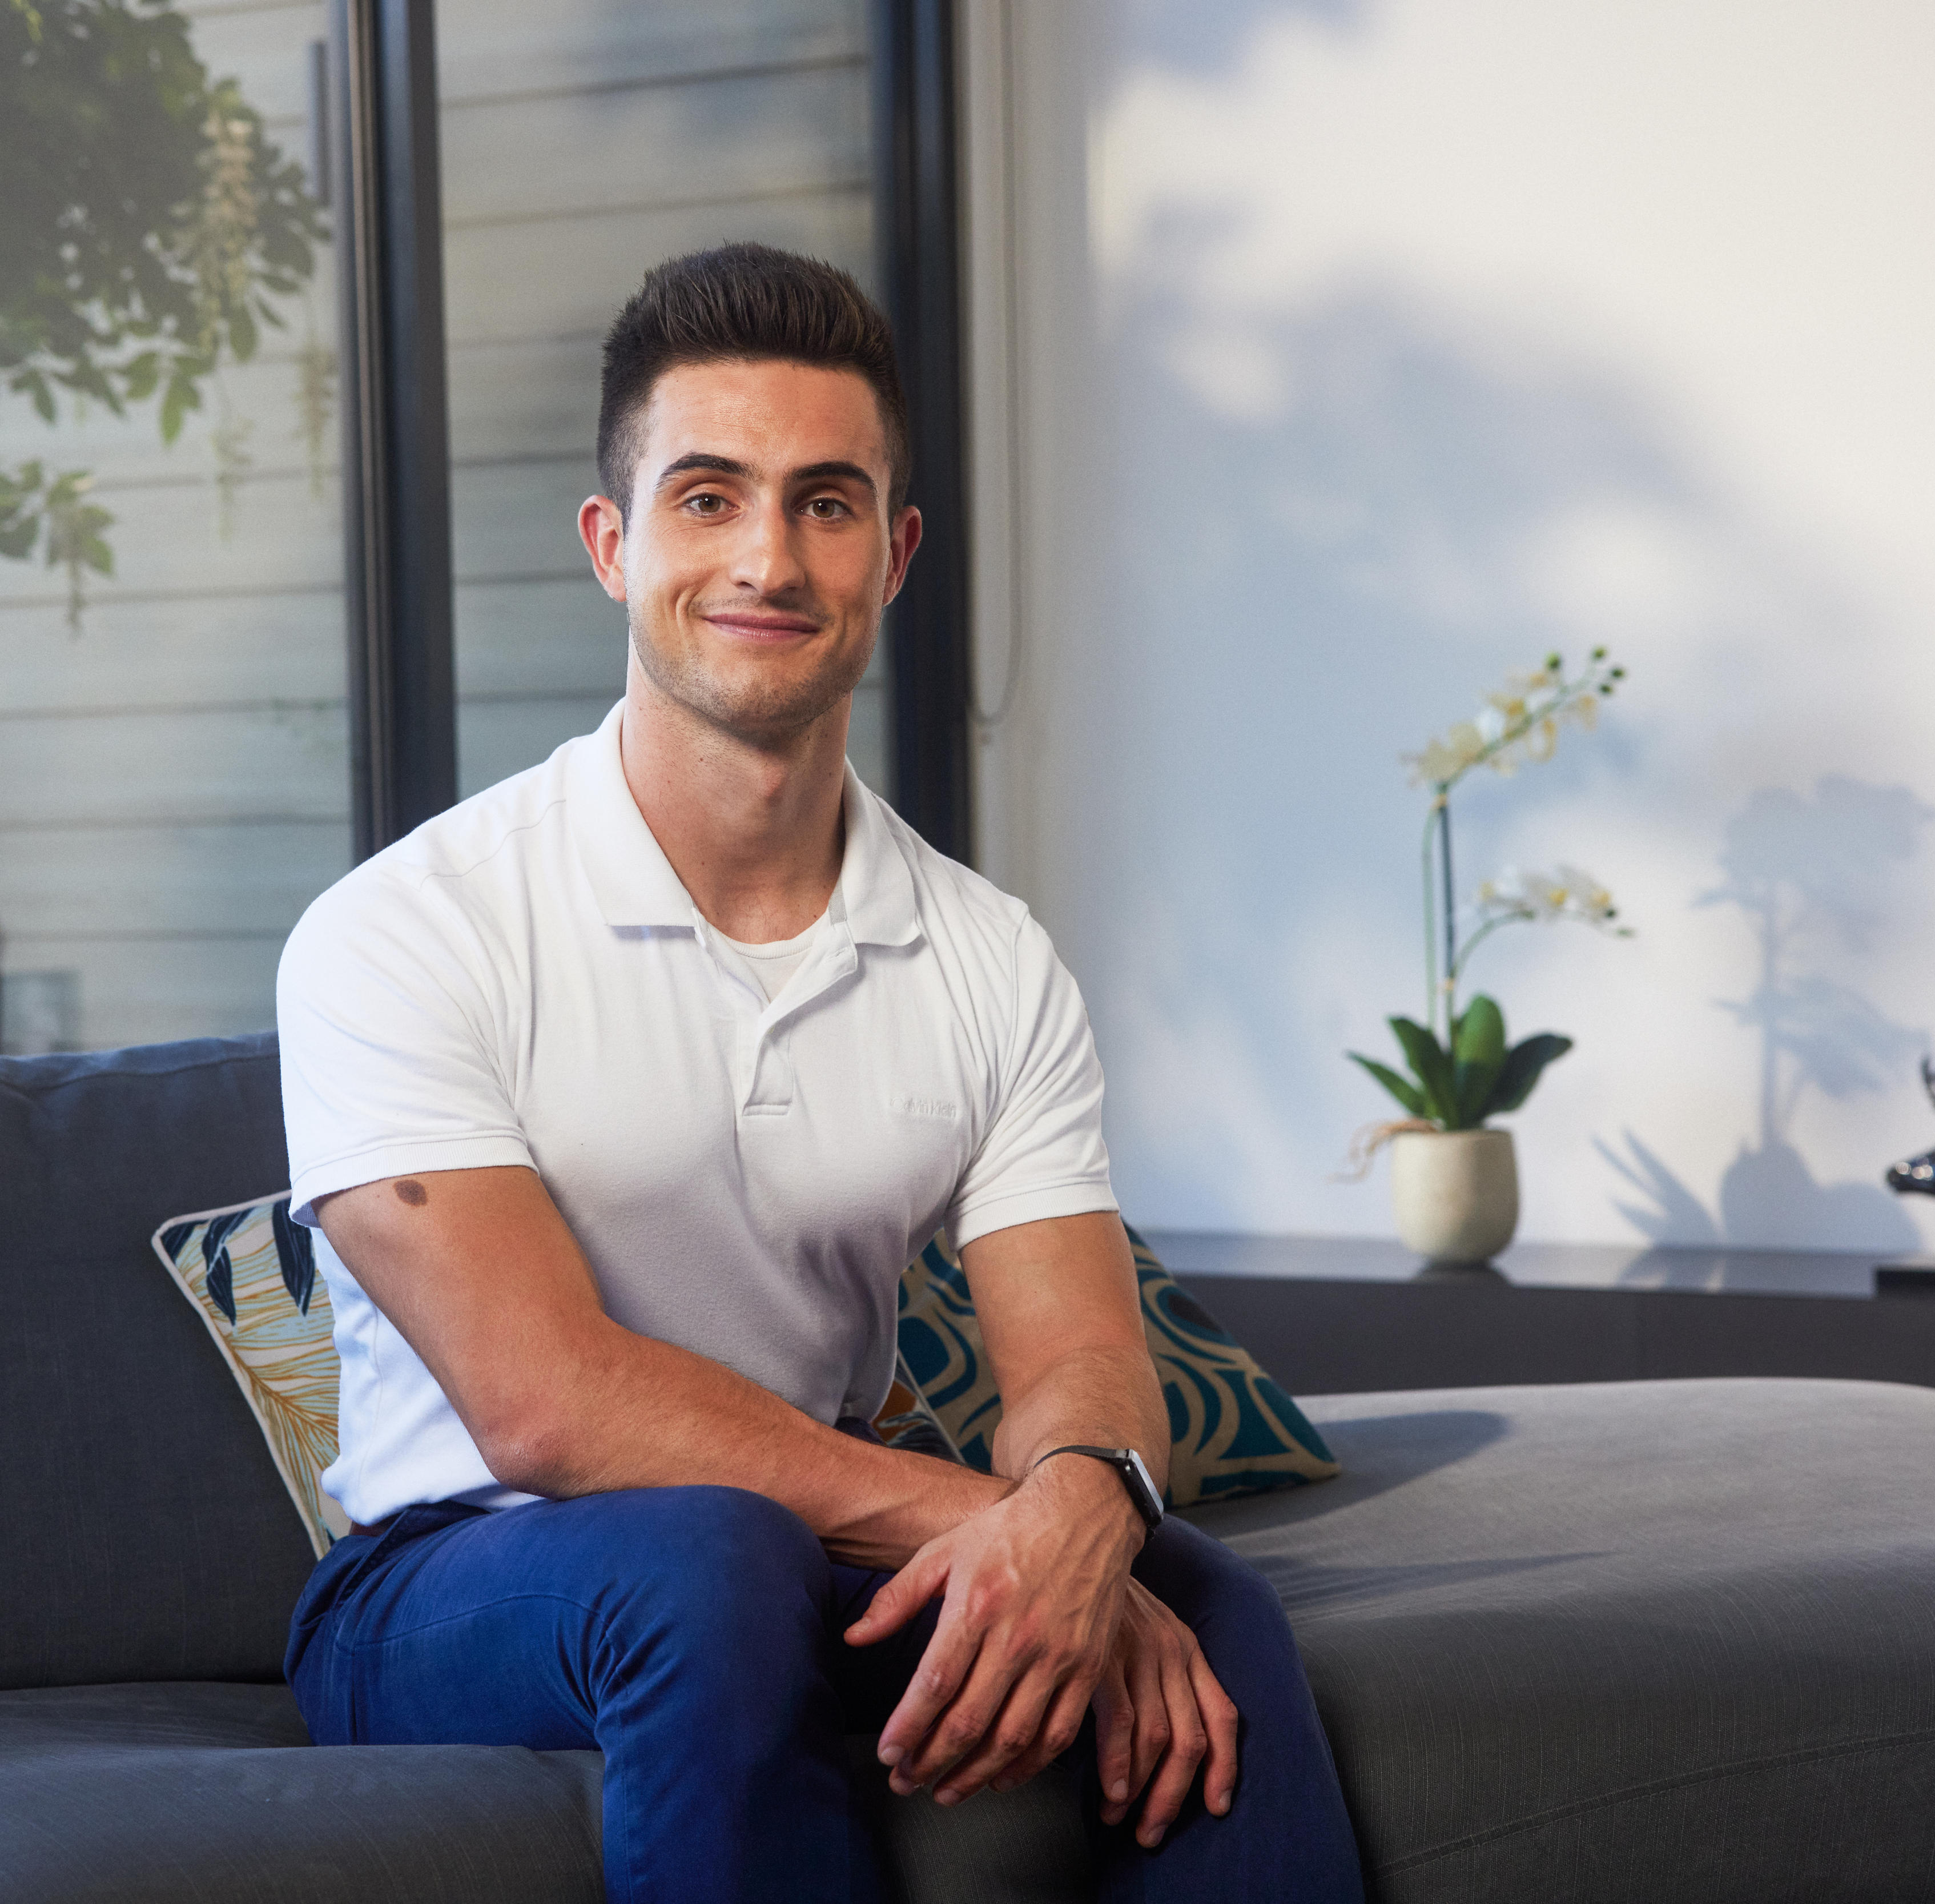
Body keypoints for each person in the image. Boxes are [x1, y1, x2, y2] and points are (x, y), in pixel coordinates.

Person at [275, 242, 1363, 1904]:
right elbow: (544, 1403)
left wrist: (1079, 1512)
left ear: (895, 552)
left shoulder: (988, 956)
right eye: (707, 498)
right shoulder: (407, 929)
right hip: (454, 1582)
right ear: (611, 544)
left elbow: (1081, 1350)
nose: (768, 556)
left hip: (800, 1560)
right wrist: (971, 1522)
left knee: (1204, 1602)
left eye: (827, 502)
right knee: (715, 1561)